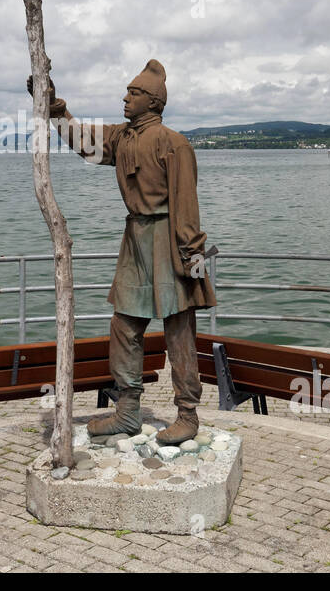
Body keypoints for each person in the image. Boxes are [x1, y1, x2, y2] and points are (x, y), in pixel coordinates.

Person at [26, 59, 215, 445]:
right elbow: (83, 142)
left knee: (179, 330)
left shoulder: (173, 143)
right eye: (127, 92)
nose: (125, 98)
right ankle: (127, 410)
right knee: (124, 326)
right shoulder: (121, 138)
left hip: (168, 239)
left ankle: (187, 414)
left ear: (154, 102)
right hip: (135, 241)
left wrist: (193, 258)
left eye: (134, 93)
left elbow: (187, 205)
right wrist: (53, 105)